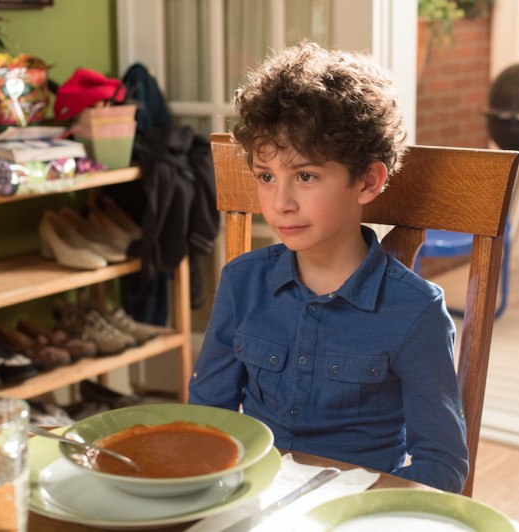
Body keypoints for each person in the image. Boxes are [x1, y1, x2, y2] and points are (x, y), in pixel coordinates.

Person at [189, 41, 468, 492]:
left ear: (368, 181)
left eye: (305, 176)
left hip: (356, 512)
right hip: (254, 502)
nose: (281, 203)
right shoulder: (242, 282)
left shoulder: (415, 312)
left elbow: (442, 466)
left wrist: (356, 507)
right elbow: (207, 421)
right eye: (266, 177)